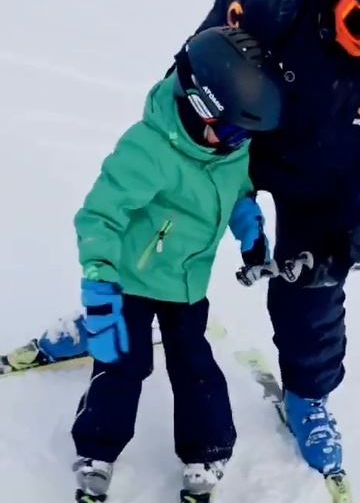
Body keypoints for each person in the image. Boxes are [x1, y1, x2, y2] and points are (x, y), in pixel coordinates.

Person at [70, 27, 284, 503]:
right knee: (122, 364)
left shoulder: (229, 148)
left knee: (195, 367)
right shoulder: (149, 149)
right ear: (197, 104)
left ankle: (206, 452)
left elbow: (237, 190)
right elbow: (99, 216)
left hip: (187, 286)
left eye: (246, 135)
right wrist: (100, 279)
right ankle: (96, 451)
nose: (237, 143)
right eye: (231, 131)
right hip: (130, 281)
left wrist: (250, 228)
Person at [183, 0, 360, 478]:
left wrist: (343, 248)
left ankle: (307, 396)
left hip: (328, 179)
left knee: (313, 296)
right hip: (238, 140)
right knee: (163, 221)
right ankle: (114, 305)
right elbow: (192, 72)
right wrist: (191, 155)